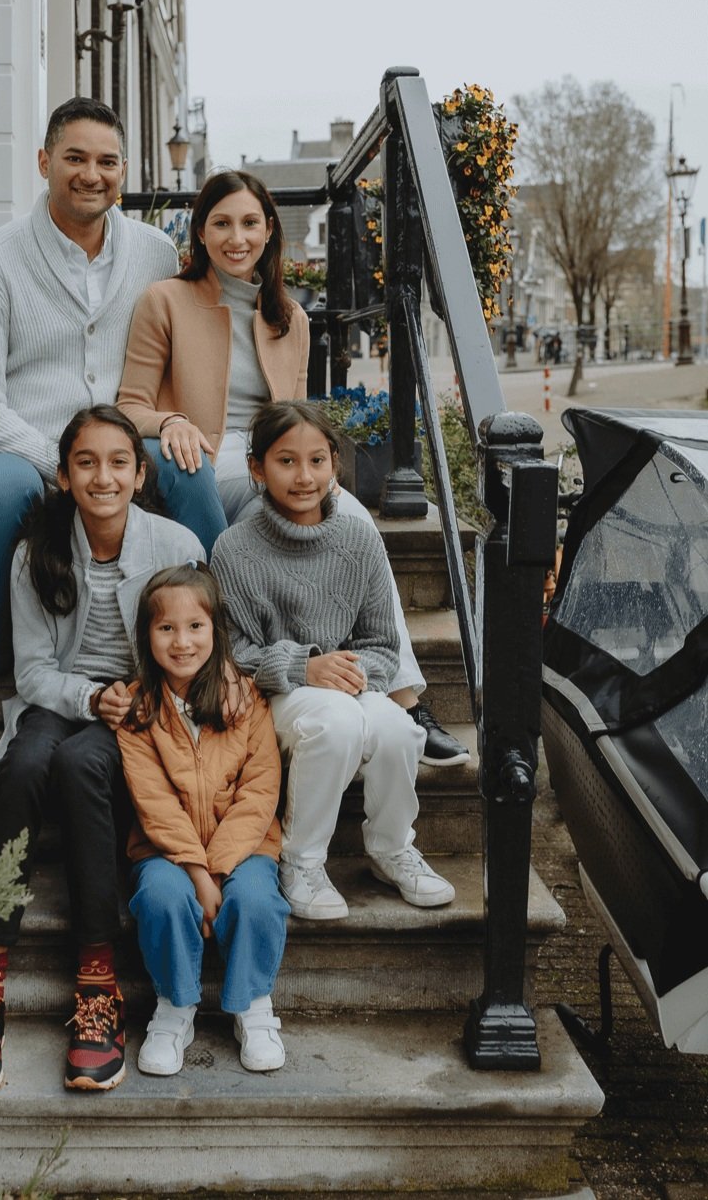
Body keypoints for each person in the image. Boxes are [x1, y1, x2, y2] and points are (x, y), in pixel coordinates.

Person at [116, 169, 468, 767]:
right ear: (200, 231)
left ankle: (404, 699)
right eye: (222, 223)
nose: (236, 237)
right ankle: (274, 665)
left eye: (250, 222)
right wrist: (170, 420)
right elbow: (130, 405)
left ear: (269, 230)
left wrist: (305, 466)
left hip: (270, 457)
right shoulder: (164, 301)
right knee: (277, 519)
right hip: (198, 452)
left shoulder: (291, 318)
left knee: (353, 517)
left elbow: (295, 415)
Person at [0, 97, 179, 770]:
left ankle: (203, 659)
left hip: (121, 448)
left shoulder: (156, 255)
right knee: (4, 489)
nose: (91, 174)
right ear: (43, 162)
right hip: (15, 450)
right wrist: (61, 465)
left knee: (185, 465)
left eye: (106, 161)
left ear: (124, 170)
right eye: (74, 158)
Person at [0, 407, 203, 1093]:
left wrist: (144, 696)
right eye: (86, 463)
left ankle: (97, 978)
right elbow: (32, 672)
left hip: (138, 711)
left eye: (118, 461)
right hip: (62, 698)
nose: (103, 476)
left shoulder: (176, 543)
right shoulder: (35, 552)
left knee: (82, 763)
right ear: (63, 476)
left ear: (139, 471)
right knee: (24, 766)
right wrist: (90, 698)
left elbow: (194, 648)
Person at [211, 401, 455, 921]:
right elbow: (235, 655)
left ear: (334, 466)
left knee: (396, 727)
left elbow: (383, 643)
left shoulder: (359, 539)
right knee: (338, 723)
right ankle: (301, 860)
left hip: (348, 686)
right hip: (272, 698)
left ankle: (391, 848)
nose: (304, 476)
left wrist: (352, 673)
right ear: (257, 469)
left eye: (317, 460)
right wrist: (304, 668)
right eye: (286, 461)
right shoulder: (233, 550)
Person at [118, 564, 289, 1077]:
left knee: (258, 899)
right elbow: (154, 805)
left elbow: (260, 793)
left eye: (196, 627)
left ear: (216, 631)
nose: (182, 642)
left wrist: (218, 870)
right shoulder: (137, 712)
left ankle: (252, 1005)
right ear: (147, 637)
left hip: (246, 846)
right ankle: (175, 1006)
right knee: (160, 898)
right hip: (164, 851)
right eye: (166, 628)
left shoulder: (249, 703)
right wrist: (195, 873)